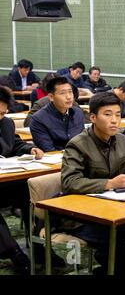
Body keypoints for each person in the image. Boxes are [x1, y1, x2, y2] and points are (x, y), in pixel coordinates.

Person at [61, 92, 125, 275]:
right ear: (93, 117)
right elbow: (70, 182)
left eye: (118, 114)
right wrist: (108, 183)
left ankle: (110, 271)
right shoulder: (77, 144)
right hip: (84, 216)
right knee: (114, 240)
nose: (114, 120)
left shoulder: (122, 140)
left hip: (115, 209)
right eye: (107, 114)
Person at [0, 86, 45, 275]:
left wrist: (30, 149)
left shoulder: (7, 123)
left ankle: (40, 247)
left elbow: (15, 143)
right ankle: (15, 253)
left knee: (34, 194)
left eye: (3, 112)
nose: (1, 116)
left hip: (8, 180)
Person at [29, 76, 85, 151]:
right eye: (63, 93)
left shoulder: (78, 113)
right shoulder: (38, 119)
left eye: (70, 92)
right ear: (51, 97)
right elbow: (48, 150)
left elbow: (83, 142)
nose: (69, 97)